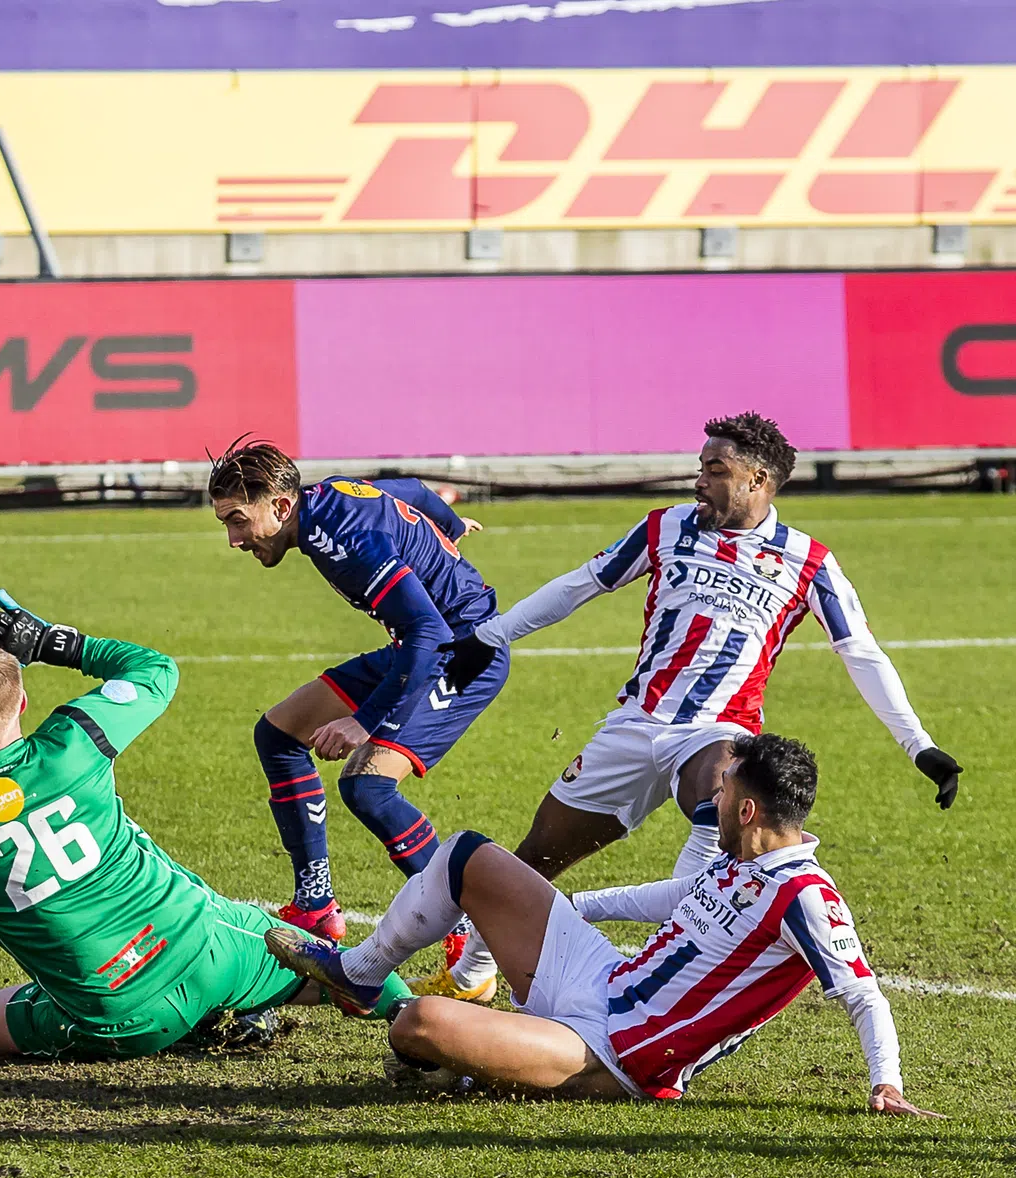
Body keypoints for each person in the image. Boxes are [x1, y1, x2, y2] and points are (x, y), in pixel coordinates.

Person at [0, 590, 412, 1059]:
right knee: (341, 966)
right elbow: (156, 670)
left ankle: (196, 1027)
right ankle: (427, 1031)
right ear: (24, 701)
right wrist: (51, 640)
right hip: (210, 950)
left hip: (121, 1020)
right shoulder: (76, 739)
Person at [432, 412, 962, 1001]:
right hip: (634, 724)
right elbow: (581, 583)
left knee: (719, 791)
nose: (699, 481)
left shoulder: (808, 561)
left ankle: (669, 959)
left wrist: (921, 745)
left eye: (716, 470)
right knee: (537, 856)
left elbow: (861, 653)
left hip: (719, 725)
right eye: (700, 468)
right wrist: (494, 634)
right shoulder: (666, 528)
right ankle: (471, 976)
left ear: (758, 481)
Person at [265, 733, 940, 1115]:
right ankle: (358, 974)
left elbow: (862, 993)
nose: (714, 789)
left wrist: (887, 1084)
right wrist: (551, 911)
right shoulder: (743, 862)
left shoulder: (806, 897)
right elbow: (669, 897)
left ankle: (472, 1062)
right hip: (599, 977)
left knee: (417, 1024)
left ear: (746, 812)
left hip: (612, 1053)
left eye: (724, 785)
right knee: (471, 853)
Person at [208, 438, 505, 981]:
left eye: (237, 521)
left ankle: (466, 943)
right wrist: (452, 527)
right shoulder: (327, 495)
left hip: (463, 654)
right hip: (420, 647)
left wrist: (362, 721)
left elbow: (430, 634)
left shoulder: (339, 536)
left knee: (367, 787)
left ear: (279, 506)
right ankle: (316, 907)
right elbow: (415, 489)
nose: (233, 539)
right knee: (278, 735)